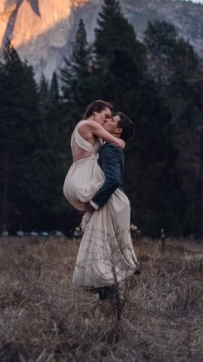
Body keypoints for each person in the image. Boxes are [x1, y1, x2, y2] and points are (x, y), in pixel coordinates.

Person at [73, 112, 138, 299]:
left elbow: (113, 180)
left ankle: (110, 303)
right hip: (115, 201)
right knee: (104, 251)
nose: (107, 121)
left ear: (117, 130)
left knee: (101, 251)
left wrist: (92, 204)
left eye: (112, 120)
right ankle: (108, 302)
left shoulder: (110, 149)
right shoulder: (109, 146)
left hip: (113, 202)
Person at [63, 100, 125, 215]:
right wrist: (122, 140)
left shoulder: (80, 127)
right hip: (83, 181)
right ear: (95, 111)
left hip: (72, 180)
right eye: (105, 116)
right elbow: (118, 143)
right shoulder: (90, 125)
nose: (106, 120)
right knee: (114, 190)